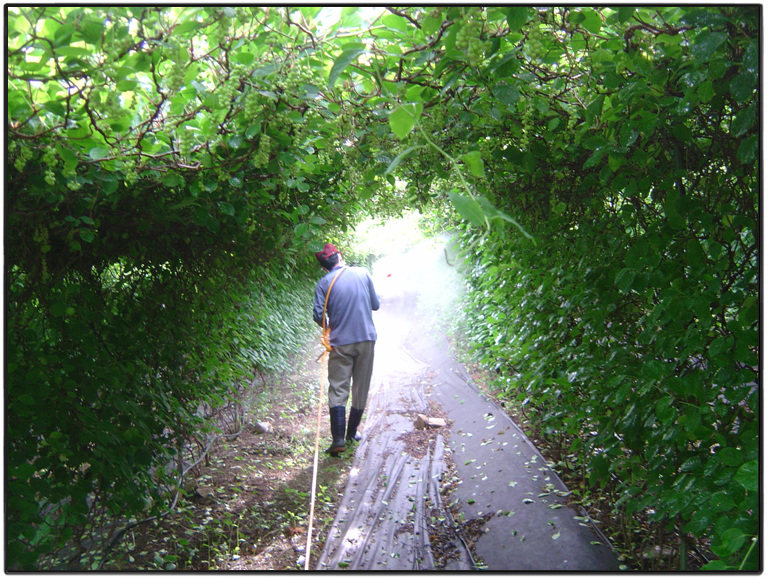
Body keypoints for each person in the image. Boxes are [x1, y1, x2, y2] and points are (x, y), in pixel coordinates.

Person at [313, 243, 380, 456]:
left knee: (338, 388)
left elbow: (318, 315)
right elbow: (376, 305)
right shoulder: (363, 273)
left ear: (324, 267)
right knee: (360, 387)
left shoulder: (324, 283)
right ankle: (352, 433)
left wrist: (329, 327)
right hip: (366, 339)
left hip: (340, 342)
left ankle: (338, 440)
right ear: (340, 256)